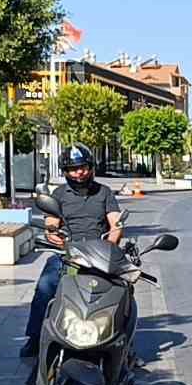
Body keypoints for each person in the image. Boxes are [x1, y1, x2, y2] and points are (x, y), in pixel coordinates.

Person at [22, 143, 123, 357]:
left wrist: (111, 243)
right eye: (73, 168)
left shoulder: (104, 193)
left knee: (123, 289)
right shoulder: (59, 193)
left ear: (91, 167)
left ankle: (123, 346)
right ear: (65, 171)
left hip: (99, 253)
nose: (79, 172)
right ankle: (34, 337)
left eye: (83, 167)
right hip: (68, 253)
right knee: (45, 287)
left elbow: (115, 224)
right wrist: (54, 236)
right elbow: (52, 223)